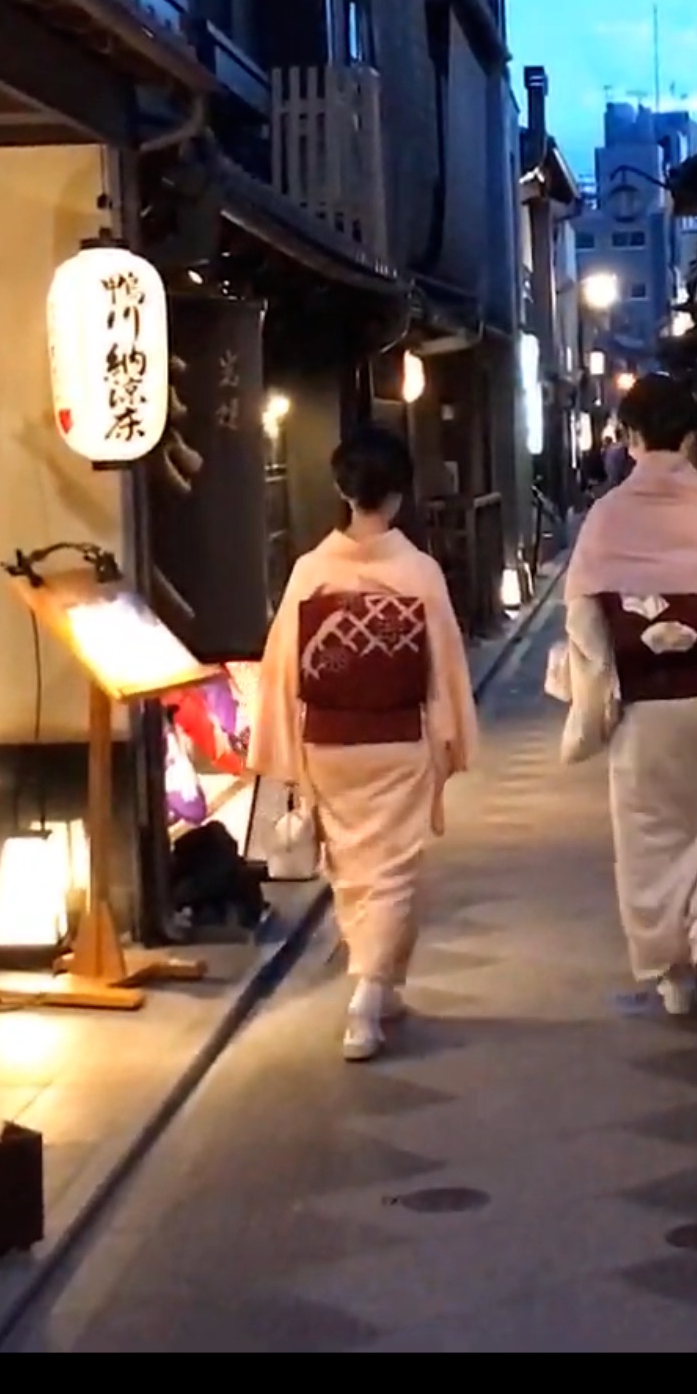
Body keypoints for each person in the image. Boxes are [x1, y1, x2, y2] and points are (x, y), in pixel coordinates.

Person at [251, 426, 478, 1061]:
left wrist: (285, 750)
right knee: (394, 869)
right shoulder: (418, 571)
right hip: (397, 739)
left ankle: (382, 984)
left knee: (352, 869)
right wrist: (448, 737)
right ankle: (368, 999)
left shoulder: (311, 572)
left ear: (340, 491)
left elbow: (283, 668)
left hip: (330, 741)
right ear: (400, 494)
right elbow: (444, 667)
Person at [558, 374, 697, 1015]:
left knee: (648, 838)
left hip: (645, 704)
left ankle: (672, 976)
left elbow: (585, 620)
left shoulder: (610, 514)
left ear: (633, 437)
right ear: (693, 436)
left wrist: (600, 682)